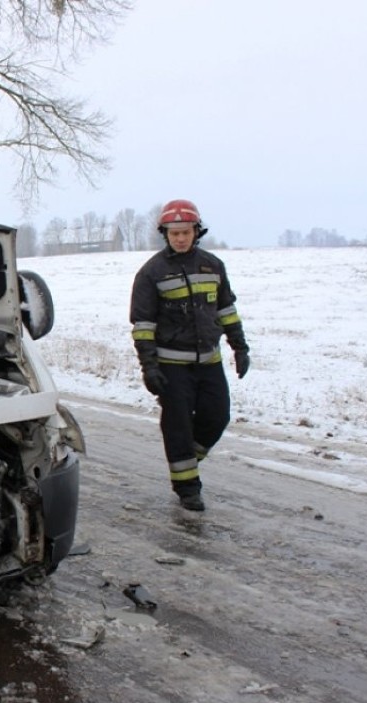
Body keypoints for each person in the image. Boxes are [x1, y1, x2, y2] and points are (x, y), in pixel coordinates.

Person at [129, 199, 250, 511]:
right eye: (173, 233)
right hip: (172, 366)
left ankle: (186, 459)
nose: (180, 238)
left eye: (185, 232)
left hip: (209, 362)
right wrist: (149, 367)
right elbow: (143, 325)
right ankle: (187, 488)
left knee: (217, 415)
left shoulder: (213, 266)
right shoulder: (151, 273)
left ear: (196, 232)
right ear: (165, 234)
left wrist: (240, 347)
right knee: (178, 425)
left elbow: (226, 310)